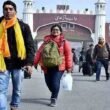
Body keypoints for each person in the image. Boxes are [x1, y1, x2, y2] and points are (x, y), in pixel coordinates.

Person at [0, 1, 35, 110]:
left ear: (15, 11)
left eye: (11, 9)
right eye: (5, 9)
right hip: (2, 63)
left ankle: (14, 104)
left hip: (19, 63)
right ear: (3, 10)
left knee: (17, 89)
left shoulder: (23, 27)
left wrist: (29, 63)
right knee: (1, 90)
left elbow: (30, 46)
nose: (8, 11)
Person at [34, 24, 73, 107]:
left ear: (60, 32)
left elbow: (68, 55)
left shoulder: (64, 42)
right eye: (53, 30)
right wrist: (34, 62)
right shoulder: (46, 41)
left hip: (59, 66)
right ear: (51, 31)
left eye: (57, 30)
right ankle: (55, 91)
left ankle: (53, 98)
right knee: (48, 83)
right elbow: (39, 52)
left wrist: (69, 68)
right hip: (47, 66)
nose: (55, 31)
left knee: (55, 82)